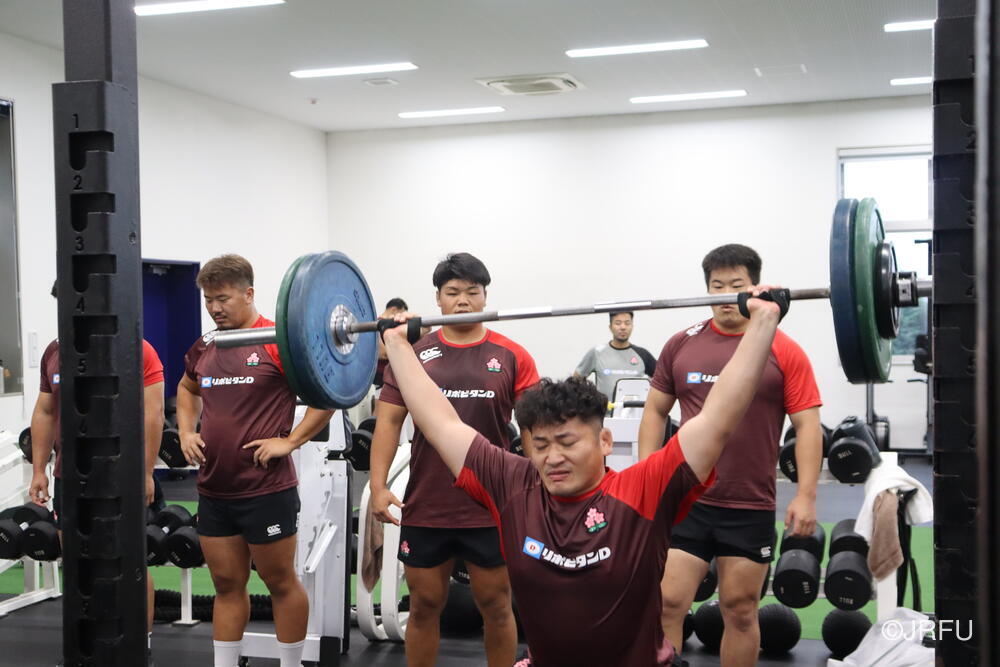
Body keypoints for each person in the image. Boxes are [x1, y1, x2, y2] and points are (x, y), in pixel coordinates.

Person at [379, 285, 786, 666]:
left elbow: (716, 420)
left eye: (567, 442)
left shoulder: (643, 490)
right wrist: (398, 346)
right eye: (540, 445)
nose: (553, 458)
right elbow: (441, 423)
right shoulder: (513, 484)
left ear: (605, 441)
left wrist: (763, 322)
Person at [637, 244, 823, 666]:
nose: (725, 296)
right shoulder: (682, 344)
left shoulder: (784, 350)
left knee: (739, 609)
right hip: (687, 500)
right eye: (716, 286)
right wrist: (648, 473)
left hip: (748, 502)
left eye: (735, 285)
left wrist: (806, 496)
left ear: (754, 287)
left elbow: (807, 425)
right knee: (668, 601)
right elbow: (655, 410)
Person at [369, 253, 540, 667]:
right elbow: (388, 422)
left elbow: (536, 428)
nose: (463, 300)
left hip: (490, 505)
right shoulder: (412, 354)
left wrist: (540, 488)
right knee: (424, 605)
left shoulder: (512, 354)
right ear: (438, 299)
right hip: (428, 502)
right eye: (453, 292)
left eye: (472, 292)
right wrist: (377, 486)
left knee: (497, 605)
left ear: (485, 296)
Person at [175, 254, 333, 667]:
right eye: (209, 300)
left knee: (280, 582)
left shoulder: (277, 341)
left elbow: (327, 395)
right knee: (227, 585)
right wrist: (186, 431)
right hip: (214, 489)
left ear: (248, 294)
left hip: (265, 489)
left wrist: (291, 441)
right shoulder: (207, 346)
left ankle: (291, 664)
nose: (215, 308)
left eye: (223, 298)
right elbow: (187, 389)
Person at [28, 280, 165, 666]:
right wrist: (38, 470)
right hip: (69, 477)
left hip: (122, 476)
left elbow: (153, 413)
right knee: (76, 561)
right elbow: (45, 411)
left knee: (131, 561)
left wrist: (145, 472)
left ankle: (141, 645)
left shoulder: (136, 348)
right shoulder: (54, 352)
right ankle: (83, 645)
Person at [574, 310, 657, 402]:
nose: (623, 327)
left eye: (627, 323)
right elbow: (575, 381)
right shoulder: (597, 352)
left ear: (632, 326)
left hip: (634, 410)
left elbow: (663, 381)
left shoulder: (643, 354)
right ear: (610, 327)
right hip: (605, 411)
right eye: (618, 323)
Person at [374, 298, 411, 390]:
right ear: (394, 310)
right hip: (378, 378)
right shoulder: (376, 324)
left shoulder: (389, 327)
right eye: (401, 314)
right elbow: (382, 353)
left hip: (387, 377)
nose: (401, 318)